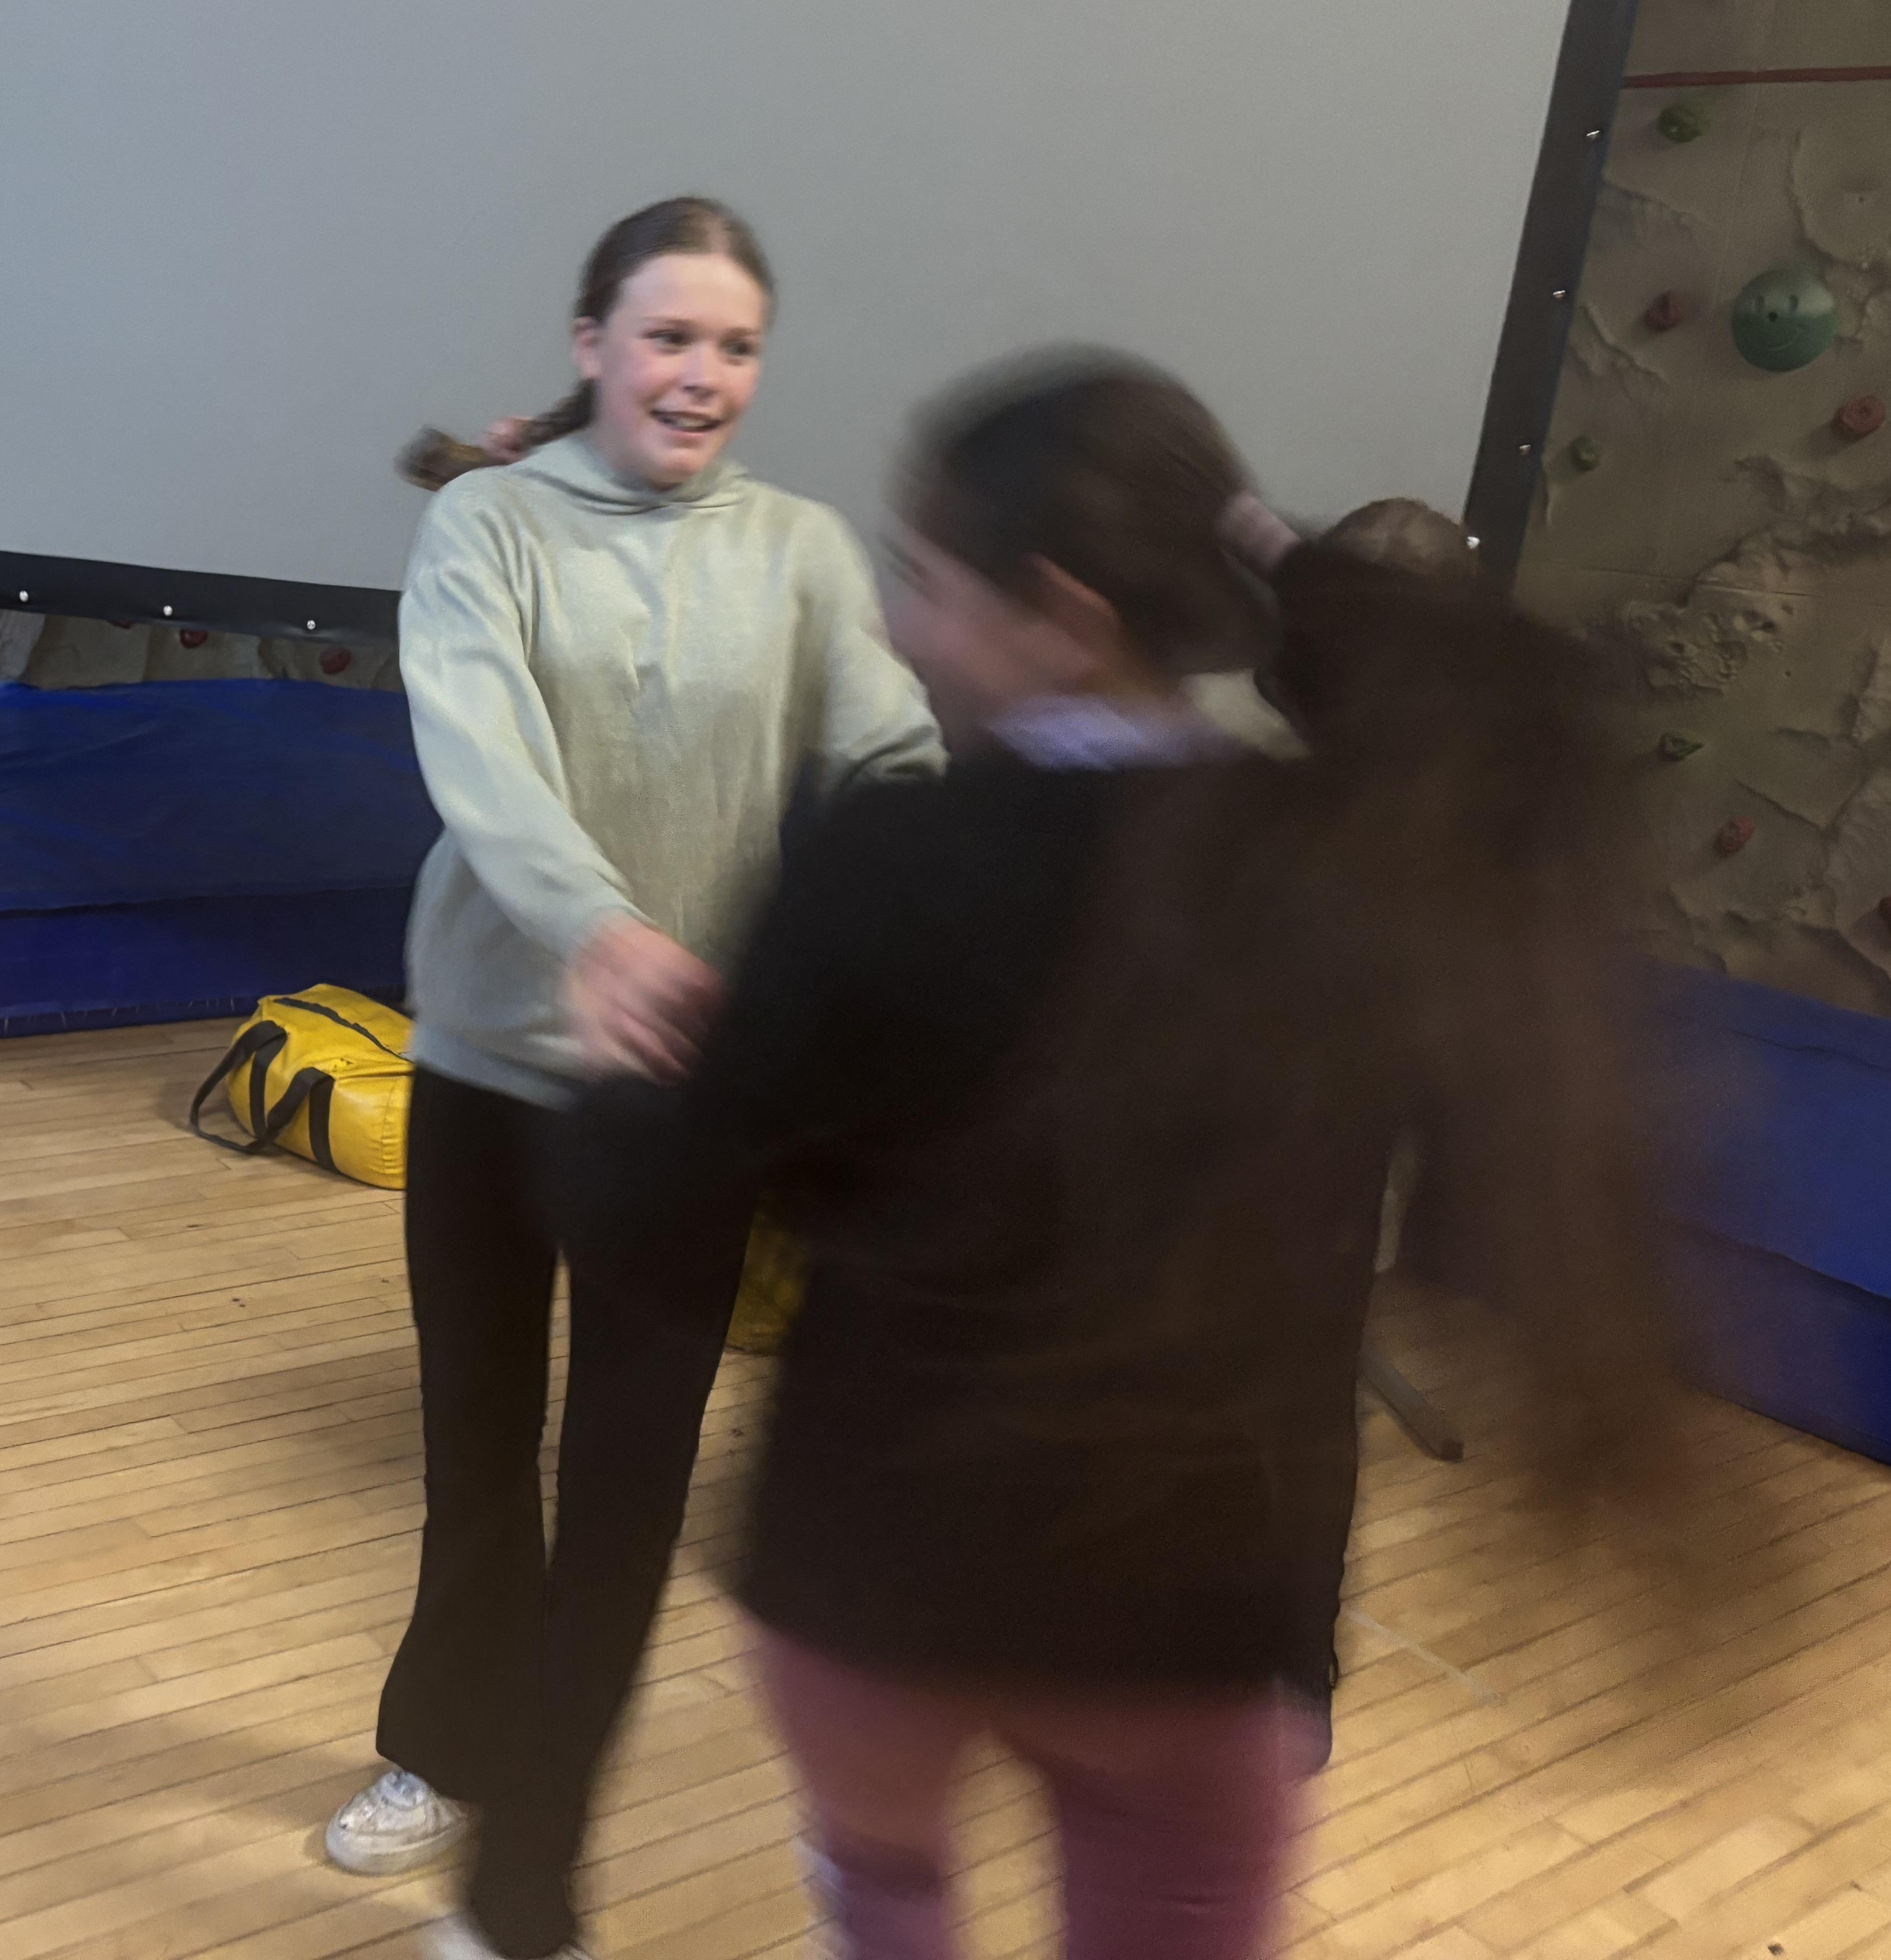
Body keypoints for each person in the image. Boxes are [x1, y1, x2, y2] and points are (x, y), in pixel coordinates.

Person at [642, 353, 1678, 1959]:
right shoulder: (1345, 874)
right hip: (1205, 1608)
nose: (904, 627)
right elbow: (1534, 752)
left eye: (928, 580)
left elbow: (683, 1199)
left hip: (876, 1575)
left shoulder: (886, 855)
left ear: (1062, 612)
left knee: (889, 1890)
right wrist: (1263, 546)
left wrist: (669, 1087)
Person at [328, 197, 944, 1960]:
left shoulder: (803, 553)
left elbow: (891, 758)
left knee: (626, 1493)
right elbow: (483, 756)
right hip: (488, 1064)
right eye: (670, 336)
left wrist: (919, 891)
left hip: (690, 1103)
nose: (702, 375)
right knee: (476, 1446)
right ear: (594, 343)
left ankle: (534, 1873)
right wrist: (599, 932)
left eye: (736, 346)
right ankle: (446, 1748)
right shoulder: (488, 522)